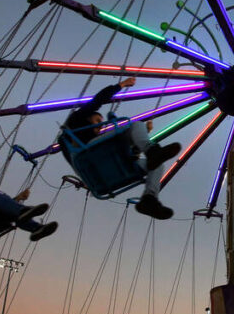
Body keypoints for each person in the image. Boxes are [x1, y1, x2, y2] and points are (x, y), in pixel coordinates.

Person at [63, 77, 181, 220]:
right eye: (97, 120)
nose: (101, 124)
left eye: (101, 122)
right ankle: (151, 151)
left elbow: (129, 154)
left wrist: (143, 138)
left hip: (102, 168)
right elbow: (98, 100)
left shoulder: (103, 141)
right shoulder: (77, 121)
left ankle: (149, 199)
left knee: (157, 166)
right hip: (87, 153)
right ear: (87, 118)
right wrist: (121, 85)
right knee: (136, 125)